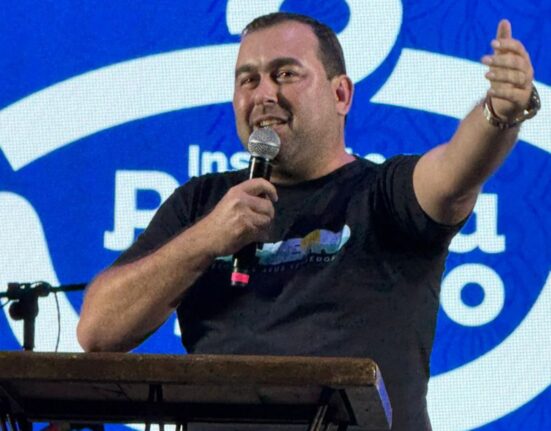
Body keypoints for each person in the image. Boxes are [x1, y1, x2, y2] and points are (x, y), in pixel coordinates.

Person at [77, 12, 540, 430]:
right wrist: (207, 239)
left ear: (341, 94)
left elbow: (456, 172)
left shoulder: (384, 194)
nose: (264, 94)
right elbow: (98, 331)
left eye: (285, 74)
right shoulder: (202, 203)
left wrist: (499, 113)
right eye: (248, 79)